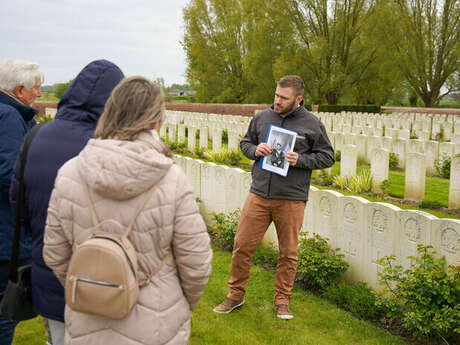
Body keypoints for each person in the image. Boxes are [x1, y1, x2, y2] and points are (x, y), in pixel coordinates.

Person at [43, 76, 212, 345]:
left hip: (88, 318)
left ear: (110, 112)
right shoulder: (172, 179)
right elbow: (196, 263)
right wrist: (175, 302)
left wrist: (94, 286)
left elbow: (54, 253)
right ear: (156, 121)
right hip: (156, 325)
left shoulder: (69, 173)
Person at [9, 59, 124, 345]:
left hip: (46, 269)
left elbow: (17, 204)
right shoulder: (110, 146)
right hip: (100, 277)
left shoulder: (35, 135)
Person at [213, 75, 334, 320]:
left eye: (283, 98)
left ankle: (282, 300)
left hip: (291, 199)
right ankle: (235, 295)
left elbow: (327, 156)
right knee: (241, 247)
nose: (277, 101)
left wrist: (301, 160)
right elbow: (245, 143)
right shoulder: (262, 117)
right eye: (276, 95)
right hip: (258, 195)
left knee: (288, 253)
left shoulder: (312, 124)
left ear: (298, 99)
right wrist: (254, 150)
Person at [0, 59, 43, 345]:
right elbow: (10, 173)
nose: (39, 94)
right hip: (6, 235)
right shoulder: (9, 117)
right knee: (6, 311)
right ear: (20, 89)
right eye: (36, 88)